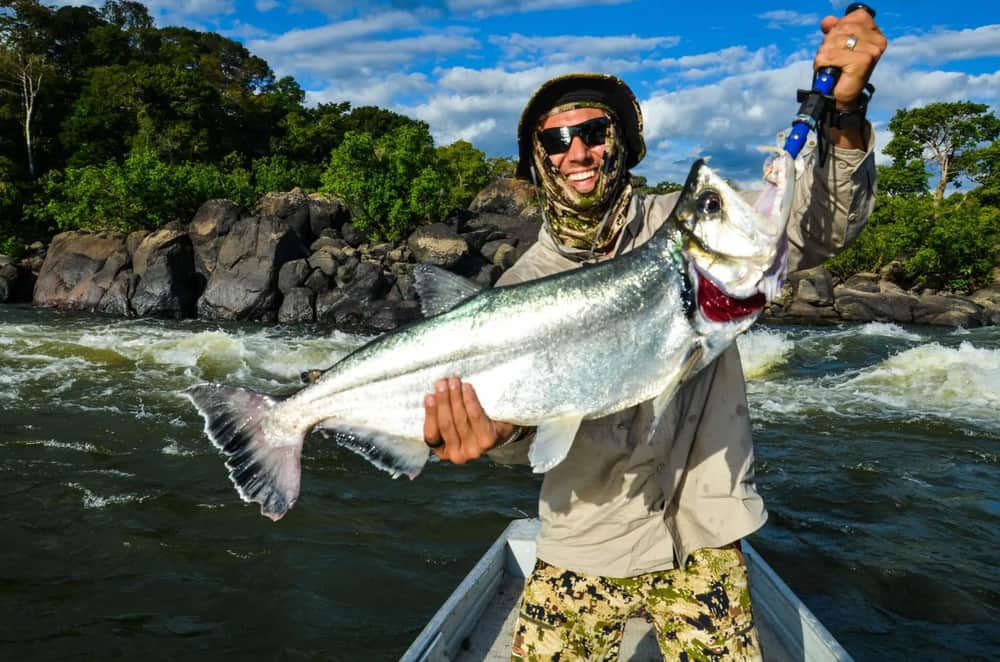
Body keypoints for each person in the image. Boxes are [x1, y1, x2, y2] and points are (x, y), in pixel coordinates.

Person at [422, 10, 886, 661]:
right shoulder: (522, 286)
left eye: (591, 131)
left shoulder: (686, 224)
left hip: (704, 537)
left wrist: (843, 113)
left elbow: (818, 229)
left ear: (623, 141)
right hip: (581, 539)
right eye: (555, 142)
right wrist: (495, 433)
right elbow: (520, 429)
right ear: (537, 160)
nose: (576, 152)